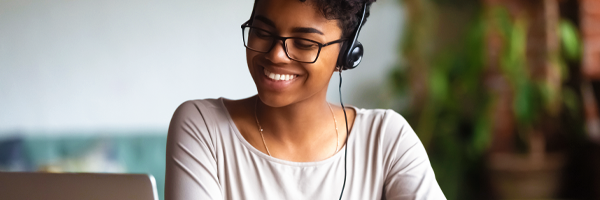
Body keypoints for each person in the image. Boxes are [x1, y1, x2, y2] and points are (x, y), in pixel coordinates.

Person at [164, 0, 446, 199]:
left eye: (304, 43)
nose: (276, 54)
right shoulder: (202, 126)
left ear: (346, 55)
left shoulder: (386, 139)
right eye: (262, 32)